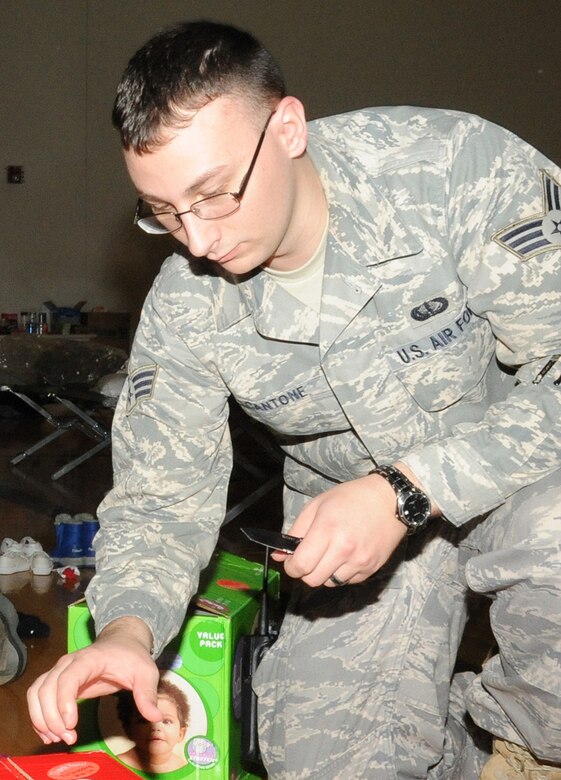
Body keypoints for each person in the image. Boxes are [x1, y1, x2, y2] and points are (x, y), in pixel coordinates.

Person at [27, 19, 561, 780]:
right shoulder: (189, 301)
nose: (199, 241)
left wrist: (409, 490)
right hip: (348, 541)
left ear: (286, 127)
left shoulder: (448, 169)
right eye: (164, 211)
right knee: (322, 759)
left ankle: (530, 750)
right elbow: (160, 500)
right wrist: (124, 634)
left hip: (520, 482)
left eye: (214, 195)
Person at [116, 677, 189, 773]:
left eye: (166, 721)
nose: (156, 727)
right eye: (144, 721)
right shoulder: (118, 763)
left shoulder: (181, 765)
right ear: (128, 731)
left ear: (181, 734)